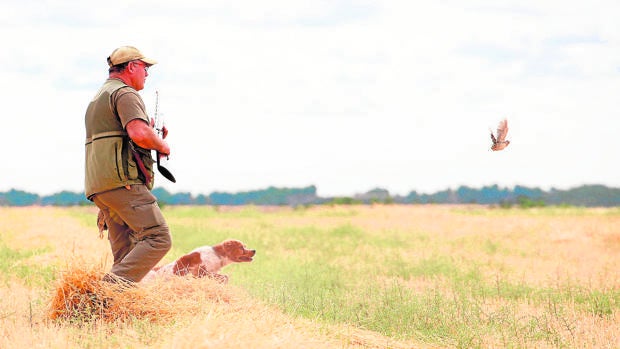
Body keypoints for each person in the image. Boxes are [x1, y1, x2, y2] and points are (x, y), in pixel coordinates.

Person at [84, 46, 172, 284]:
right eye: (145, 67)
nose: (147, 73)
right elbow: (139, 134)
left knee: (126, 255)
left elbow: (125, 133)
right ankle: (100, 296)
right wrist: (162, 144)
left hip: (101, 187)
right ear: (131, 66)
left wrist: (148, 129)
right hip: (123, 183)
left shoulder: (99, 97)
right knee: (158, 238)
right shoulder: (125, 94)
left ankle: (110, 311)